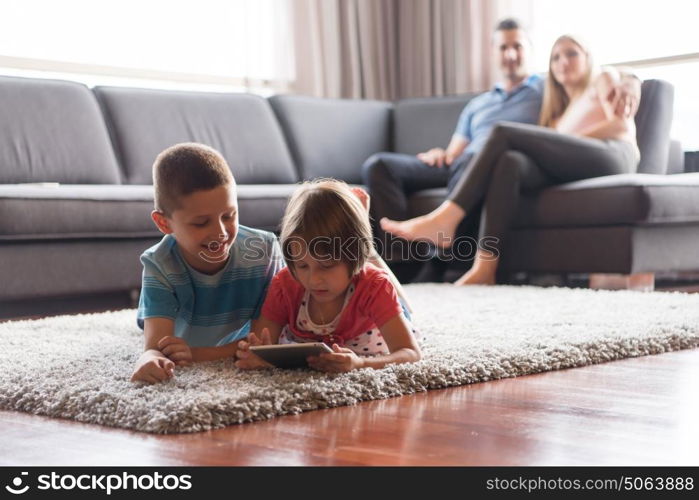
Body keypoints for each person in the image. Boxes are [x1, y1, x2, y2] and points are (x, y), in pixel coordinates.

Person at [380, 35, 642, 285]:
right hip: (579, 163)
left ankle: (447, 217)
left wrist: (631, 80)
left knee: (502, 131)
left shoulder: (603, 78)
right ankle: (485, 268)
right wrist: (560, 138)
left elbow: (621, 126)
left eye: (572, 53)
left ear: (587, 57)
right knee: (510, 163)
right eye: (556, 57)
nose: (563, 62)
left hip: (614, 155)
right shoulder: (557, 114)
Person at [361, 18, 544, 254]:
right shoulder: (478, 104)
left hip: (492, 162)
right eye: (503, 48)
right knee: (379, 165)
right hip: (463, 162)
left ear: (529, 50)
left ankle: (441, 254)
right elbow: (455, 152)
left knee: (472, 158)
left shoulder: (544, 91)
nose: (510, 54)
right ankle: (403, 260)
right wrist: (441, 154)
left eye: (517, 47)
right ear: (492, 53)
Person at [131, 143, 285, 384]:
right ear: (164, 223)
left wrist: (196, 354)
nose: (221, 232)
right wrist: (149, 360)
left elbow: (264, 341)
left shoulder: (264, 250)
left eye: (229, 215)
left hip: (197, 346)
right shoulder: (159, 263)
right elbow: (156, 348)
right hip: (181, 331)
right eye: (201, 223)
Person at [235, 180, 422, 373]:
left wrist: (361, 363)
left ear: (353, 257)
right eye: (303, 265)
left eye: (326, 266)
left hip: (377, 296)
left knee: (406, 308)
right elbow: (262, 343)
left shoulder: (375, 287)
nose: (313, 280)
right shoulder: (286, 284)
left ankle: (368, 248)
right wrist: (259, 354)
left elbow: (410, 353)